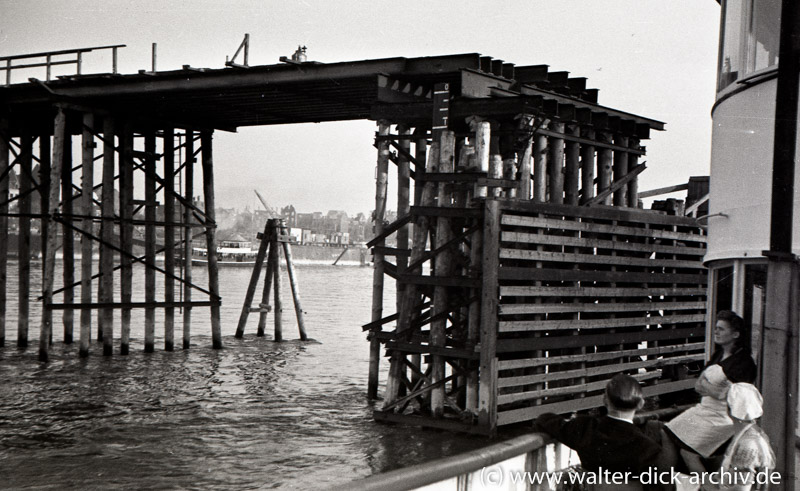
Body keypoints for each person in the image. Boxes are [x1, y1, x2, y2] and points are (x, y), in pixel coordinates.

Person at [664, 311, 757, 468]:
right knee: (666, 432)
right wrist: (711, 389)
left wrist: (709, 388)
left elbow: (727, 396)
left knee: (687, 452)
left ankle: (706, 486)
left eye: (721, 329)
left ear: (735, 334)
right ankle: (665, 483)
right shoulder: (719, 354)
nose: (716, 331)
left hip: (722, 418)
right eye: (716, 328)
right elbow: (698, 384)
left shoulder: (744, 363)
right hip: (704, 410)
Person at [533, 374, 661, 478]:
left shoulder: (585, 428)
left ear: (605, 400)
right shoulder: (647, 448)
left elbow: (544, 419)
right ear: (641, 404)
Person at [703, 383, 774, 491]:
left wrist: (709, 487)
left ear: (729, 409)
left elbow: (741, 489)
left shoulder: (748, 445)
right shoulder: (749, 434)